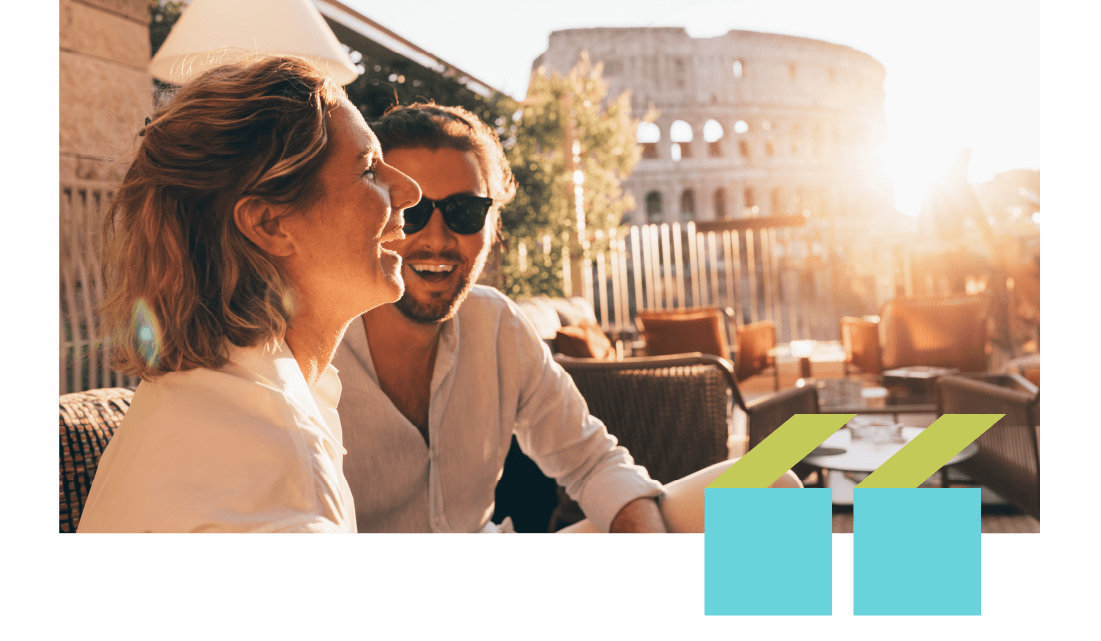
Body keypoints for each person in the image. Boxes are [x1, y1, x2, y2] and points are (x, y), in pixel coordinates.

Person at [332, 103, 801, 534]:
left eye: (464, 211)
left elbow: (590, 461)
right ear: (372, 214)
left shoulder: (496, 324)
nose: (437, 236)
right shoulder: (313, 348)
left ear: (491, 223)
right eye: (409, 211)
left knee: (772, 489)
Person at [77, 55, 421, 533]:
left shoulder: (202, 399)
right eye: (368, 170)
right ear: (270, 223)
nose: (409, 189)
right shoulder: (278, 471)